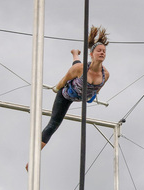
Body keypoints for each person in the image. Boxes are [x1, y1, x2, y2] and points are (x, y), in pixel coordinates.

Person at [28, 26, 111, 170]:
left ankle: (75, 54)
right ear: (92, 54)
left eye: (104, 51)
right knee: (53, 125)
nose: (102, 53)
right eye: (99, 50)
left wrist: (90, 97)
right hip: (66, 94)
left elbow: (98, 89)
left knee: (79, 69)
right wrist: (55, 89)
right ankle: (32, 159)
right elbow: (63, 81)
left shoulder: (106, 74)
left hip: (82, 96)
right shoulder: (79, 69)